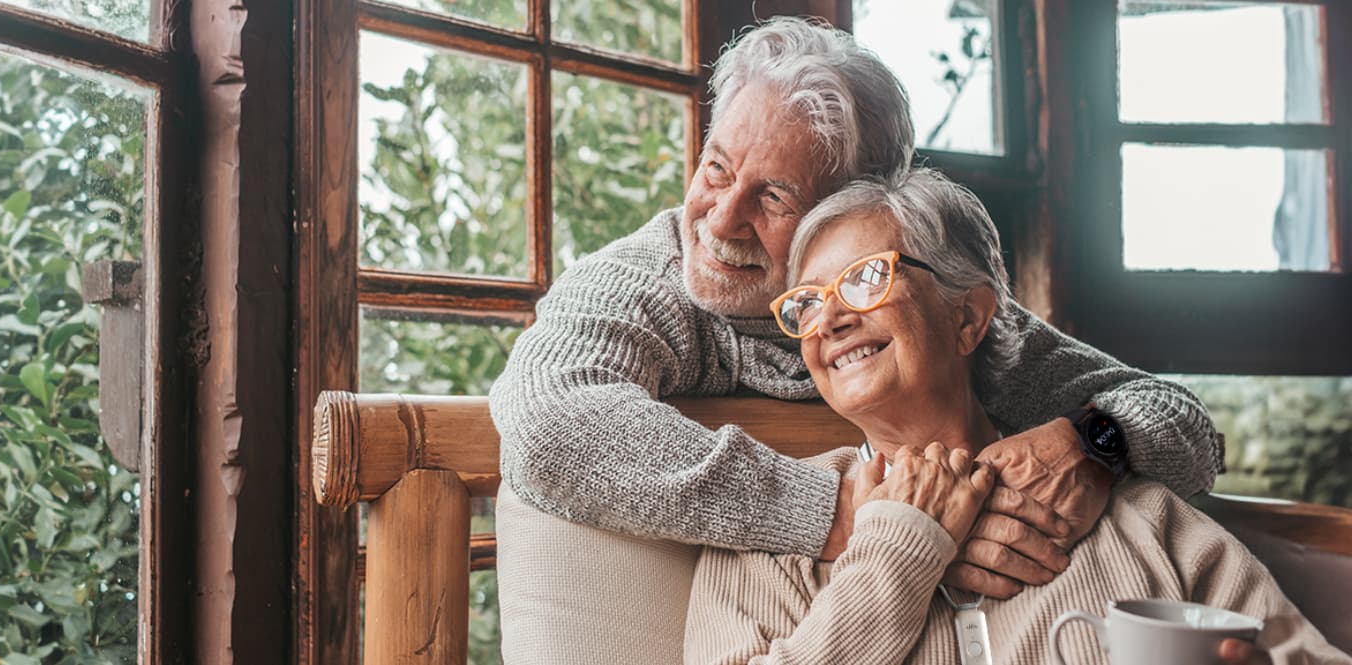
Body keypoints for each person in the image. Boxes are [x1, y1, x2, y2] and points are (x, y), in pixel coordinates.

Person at [489, 15, 1222, 662]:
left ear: (847, 218)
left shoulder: (930, 311)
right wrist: (851, 512)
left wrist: (1097, 441)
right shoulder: (641, 280)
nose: (718, 220)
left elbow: (1180, 418)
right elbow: (550, 426)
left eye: (773, 197)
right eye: (716, 169)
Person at [684, 168, 1347, 665]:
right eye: (806, 302)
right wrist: (898, 549)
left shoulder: (1145, 519)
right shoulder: (765, 540)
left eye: (864, 278)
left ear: (967, 316)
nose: (828, 318)